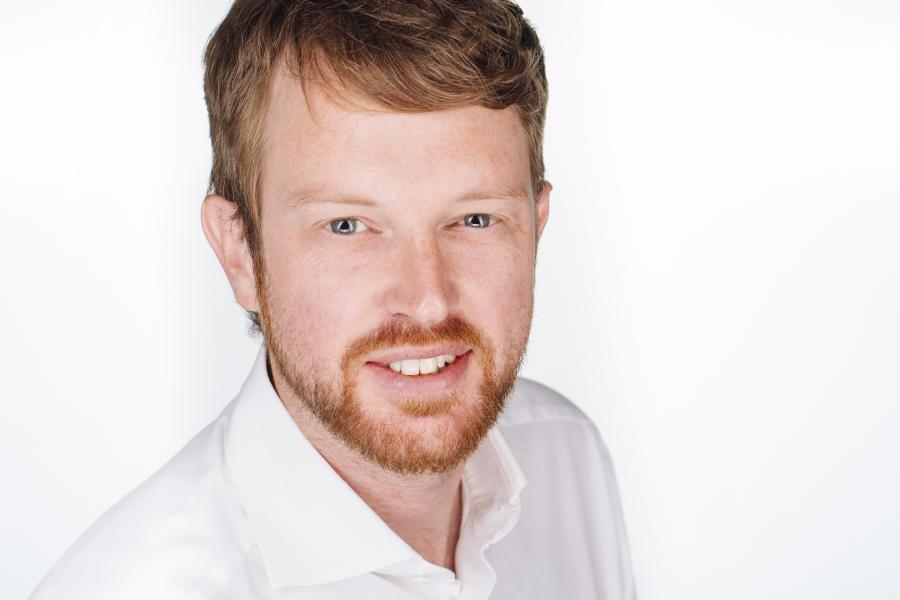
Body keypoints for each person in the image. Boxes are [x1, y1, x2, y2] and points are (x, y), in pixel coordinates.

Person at [30, 1, 636, 598]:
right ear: (239, 252)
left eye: (475, 219)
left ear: (536, 224)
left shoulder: (566, 455)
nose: (426, 300)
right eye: (347, 225)